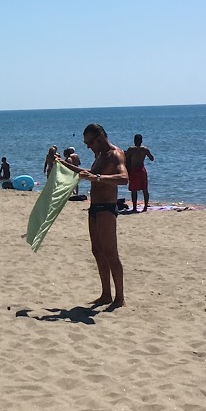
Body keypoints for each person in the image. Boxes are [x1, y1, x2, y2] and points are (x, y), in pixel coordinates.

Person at [74, 123, 127, 308]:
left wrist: (97, 178)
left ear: (101, 136)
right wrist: (61, 163)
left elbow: (124, 178)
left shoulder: (115, 154)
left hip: (107, 207)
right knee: (97, 251)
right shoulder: (98, 156)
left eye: (91, 142)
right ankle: (106, 294)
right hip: (94, 207)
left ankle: (120, 297)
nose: (88, 146)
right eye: (86, 143)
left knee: (110, 252)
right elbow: (86, 174)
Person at [124, 135, 156, 212]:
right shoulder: (145, 149)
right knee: (145, 189)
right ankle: (145, 207)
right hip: (142, 170)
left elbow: (125, 157)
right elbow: (152, 158)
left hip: (134, 170)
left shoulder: (131, 149)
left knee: (134, 190)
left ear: (134, 140)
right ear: (141, 141)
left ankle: (134, 208)